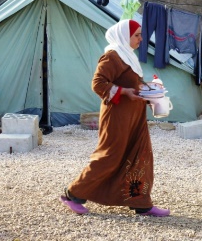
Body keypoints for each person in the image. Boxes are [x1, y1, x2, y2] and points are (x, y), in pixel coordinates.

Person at [60, 19, 170, 217]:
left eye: (140, 34)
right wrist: (124, 91)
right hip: (117, 117)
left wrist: (150, 91)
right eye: (136, 35)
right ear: (123, 36)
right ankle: (73, 193)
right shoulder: (113, 56)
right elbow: (97, 83)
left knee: (140, 156)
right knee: (110, 156)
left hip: (135, 117)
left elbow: (133, 84)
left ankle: (141, 202)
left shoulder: (129, 57)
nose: (141, 39)